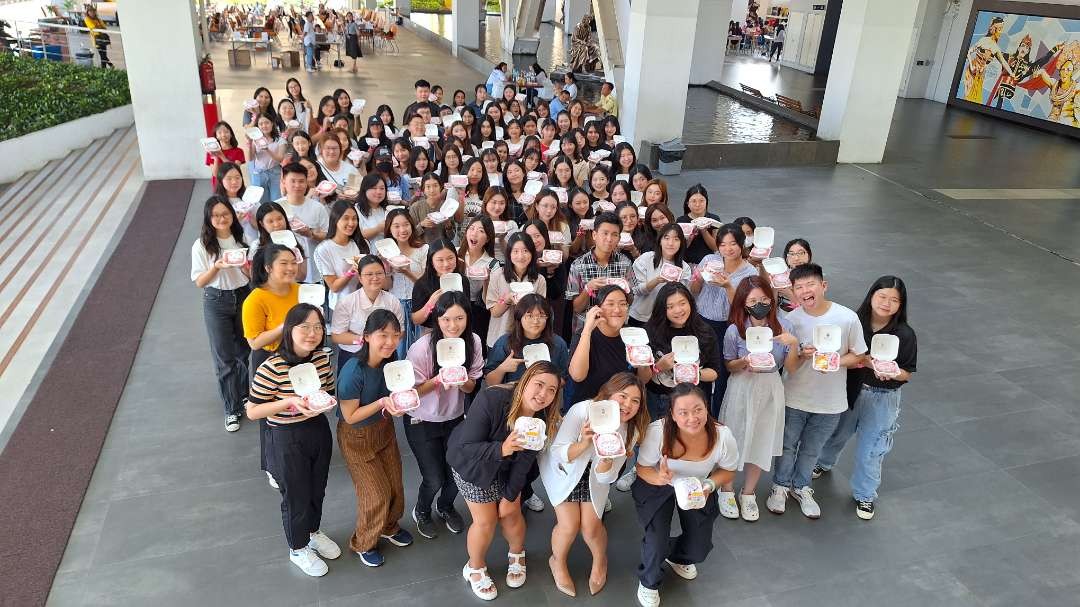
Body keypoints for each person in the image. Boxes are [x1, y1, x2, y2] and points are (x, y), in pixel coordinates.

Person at [447, 362, 563, 601]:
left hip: (509, 468)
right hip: (474, 464)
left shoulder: (542, 417)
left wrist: (510, 496)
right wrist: (503, 448)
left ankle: (516, 553)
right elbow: (467, 447)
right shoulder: (491, 399)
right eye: (539, 385)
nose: (543, 395)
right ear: (524, 381)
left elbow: (526, 460)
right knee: (486, 521)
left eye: (551, 390)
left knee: (511, 512)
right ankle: (474, 567)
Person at [245, 303, 340, 577]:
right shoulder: (272, 366)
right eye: (305, 327)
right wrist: (288, 401)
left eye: (318, 327)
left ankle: (312, 532)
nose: (312, 333)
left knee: (317, 488)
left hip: (317, 429)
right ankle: (297, 548)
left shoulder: (321, 358)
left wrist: (324, 404)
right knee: (295, 495)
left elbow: (328, 392)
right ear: (289, 329)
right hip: (286, 436)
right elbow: (253, 411)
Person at [767, 263, 867, 519]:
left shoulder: (847, 318)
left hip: (830, 401)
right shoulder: (791, 320)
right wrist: (800, 353)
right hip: (795, 395)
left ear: (823, 286)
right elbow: (787, 364)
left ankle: (801, 487)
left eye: (810, 284)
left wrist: (835, 361)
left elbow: (859, 355)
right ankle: (780, 486)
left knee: (812, 449)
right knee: (787, 445)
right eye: (798, 287)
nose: (804, 291)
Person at [815, 276, 916, 520]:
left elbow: (907, 374)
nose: (886, 303)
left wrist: (891, 372)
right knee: (836, 433)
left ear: (901, 305)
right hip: (851, 390)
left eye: (894, 300)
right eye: (882, 296)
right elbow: (843, 353)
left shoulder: (905, 334)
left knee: (872, 448)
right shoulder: (854, 322)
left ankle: (865, 495)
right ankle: (823, 462)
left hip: (884, 398)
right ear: (871, 295)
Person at [540, 372, 650, 597]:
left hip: (595, 479)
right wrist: (584, 443)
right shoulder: (582, 410)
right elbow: (559, 452)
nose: (627, 405)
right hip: (564, 471)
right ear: (609, 394)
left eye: (635, 401)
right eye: (623, 396)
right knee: (569, 525)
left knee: (590, 528)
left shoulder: (631, 431)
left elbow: (606, 479)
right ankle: (557, 561)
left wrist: (607, 460)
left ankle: (600, 560)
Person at [632, 383, 738, 607]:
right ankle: (649, 582)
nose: (692, 418)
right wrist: (659, 478)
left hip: (698, 486)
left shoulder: (722, 435)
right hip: (657, 484)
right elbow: (642, 469)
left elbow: (729, 470)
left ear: (706, 407)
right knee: (657, 538)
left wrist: (709, 484)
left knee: (699, 545)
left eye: (698, 409)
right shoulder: (658, 431)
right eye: (683, 412)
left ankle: (677, 556)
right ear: (672, 413)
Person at [718, 276, 799, 521]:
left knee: (762, 438)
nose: (760, 304)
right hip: (742, 385)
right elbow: (728, 365)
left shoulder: (784, 327)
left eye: (764, 299)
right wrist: (744, 362)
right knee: (735, 437)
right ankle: (726, 489)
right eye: (753, 300)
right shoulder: (735, 330)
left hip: (771, 385)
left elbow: (792, 368)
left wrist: (793, 345)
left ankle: (749, 492)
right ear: (743, 303)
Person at [336, 310, 412, 567]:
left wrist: (400, 403)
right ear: (367, 337)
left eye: (395, 335)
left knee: (395, 487)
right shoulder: (352, 371)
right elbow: (350, 416)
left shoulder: (392, 361)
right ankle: (363, 542)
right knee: (375, 493)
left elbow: (397, 392)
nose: (390, 342)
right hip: (356, 437)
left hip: (384, 430)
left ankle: (389, 526)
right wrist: (383, 402)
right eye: (383, 335)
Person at [191, 196, 251, 432]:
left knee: (245, 351)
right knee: (224, 358)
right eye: (215, 215)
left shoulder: (241, 238)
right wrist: (216, 267)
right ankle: (231, 409)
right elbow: (199, 282)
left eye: (225, 214)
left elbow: (248, 275)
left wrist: (246, 267)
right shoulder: (202, 245)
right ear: (208, 218)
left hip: (243, 296)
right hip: (216, 300)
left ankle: (244, 395)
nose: (221, 219)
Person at [690, 225, 759, 416]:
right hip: (701, 321)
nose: (728, 249)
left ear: (741, 244)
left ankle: (718, 416)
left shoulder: (749, 272)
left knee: (721, 374)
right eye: (722, 244)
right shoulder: (709, 260)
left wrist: (728, 286)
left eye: (733, 244)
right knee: (699, 369)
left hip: (728, 326)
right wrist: (698, 278)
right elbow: (694, 292)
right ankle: (699, 412)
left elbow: (744, 307)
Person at [330, 255, 404, 370]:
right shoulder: (347, 302)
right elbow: (336, 336)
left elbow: (401, 332)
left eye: (379, 273)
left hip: (385, 355)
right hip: (353, 355)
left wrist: (384, 341)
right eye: (369, 274)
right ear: (360, 278)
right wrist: (364, 340)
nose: (375, 278)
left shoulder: (392, 301)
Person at [566, 211, 634, 334]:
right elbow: (576, 308)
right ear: (594, 235)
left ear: (619, 238)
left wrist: (626, 288)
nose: (609, 239)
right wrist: (588, 288)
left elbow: (630, 301)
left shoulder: (625, 263)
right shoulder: (578, 265)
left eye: (614, 235)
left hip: (615, 330)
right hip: (586, 329)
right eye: (605, 233)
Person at [484, 294, 569, 385]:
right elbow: (489, 382)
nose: (535, 321)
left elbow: (564, 379)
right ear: (519, 317)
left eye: (541, 316)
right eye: (530, 316)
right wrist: (503, 368)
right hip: (511, 396)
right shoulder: (504, 343)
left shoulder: (558, 344)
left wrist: (545, 381)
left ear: (548, 318)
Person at [485, 233, 547, 347]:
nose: (521, 256)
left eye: (525, 251)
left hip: (528, 338)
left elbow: (541, 312)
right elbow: (494, 312)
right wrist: (507, 299)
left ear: (532, 253)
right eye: (515, 251)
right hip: (500, 336)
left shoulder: (540, 280)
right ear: (509, 254)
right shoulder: (498, 275)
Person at [279, 163, 329, 280]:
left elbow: (327, 236)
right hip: (283, 273)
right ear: (284, 182)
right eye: (293, 181)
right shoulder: (276, 207)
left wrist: (311, 234)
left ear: (307, 183)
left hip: (313, 271)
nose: (297, 185)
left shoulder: (317, 207)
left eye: (301, 181)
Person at [313, 200, 366, 312]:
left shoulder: (361, 243)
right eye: (346, 218)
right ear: (335, 220)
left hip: (363, 303)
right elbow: (334, 287)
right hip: (340, 307)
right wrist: (352, 271)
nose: (351, 223)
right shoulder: (323, 249)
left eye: (354, 218)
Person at [246, 113, 287, 203]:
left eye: (267, 122)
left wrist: (267, 149)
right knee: (261, 201)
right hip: (259, 173)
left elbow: (280, 159)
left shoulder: (280, 140)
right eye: (261, 124)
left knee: (276, 200)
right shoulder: (255, 140)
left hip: (275, 172)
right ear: (258, 126)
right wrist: (249, 144)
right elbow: (250, 158)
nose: (264, 126)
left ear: (272, 123)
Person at [676, 185, 720, 266]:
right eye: (694, 201)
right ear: (688, 203)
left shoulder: (714, 219)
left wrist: (704, 230)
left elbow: (716, 247)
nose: (697, 204)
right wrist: (691, 235)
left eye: (701, 201)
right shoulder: (681, 220)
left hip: (708, 263)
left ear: (706, 202)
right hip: (687, 263)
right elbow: (679, 248)